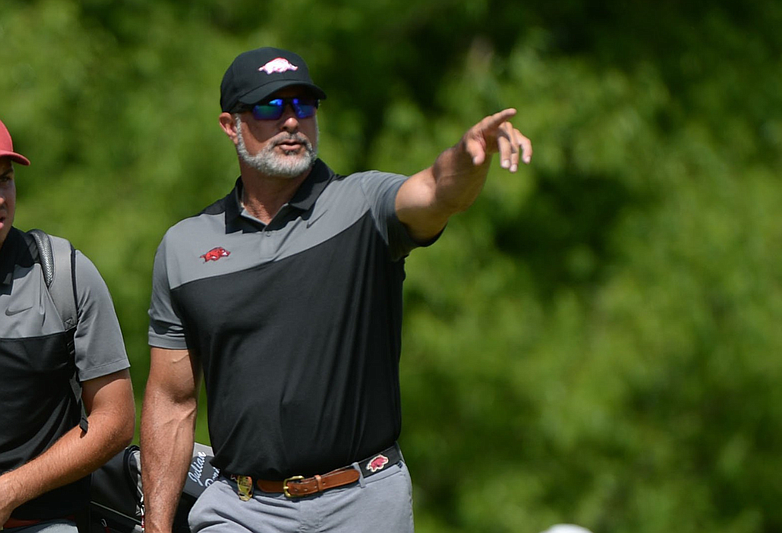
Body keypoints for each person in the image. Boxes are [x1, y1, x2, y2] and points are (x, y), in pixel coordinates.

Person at [141, 46, 531, 533]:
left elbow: (436, 190)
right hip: (242, 509)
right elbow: (172, 402)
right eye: (269, 107)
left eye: (303, 105)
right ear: (230, 125)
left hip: (363, 502)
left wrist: (470, 156)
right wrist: (155, 527)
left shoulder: (363, 206)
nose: (290, 122)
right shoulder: (185, 247)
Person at [0, 119, 135, 532]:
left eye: (4, 180)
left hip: (42, 523)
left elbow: (115, 420)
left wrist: (12, 489)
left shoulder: (64, 274)